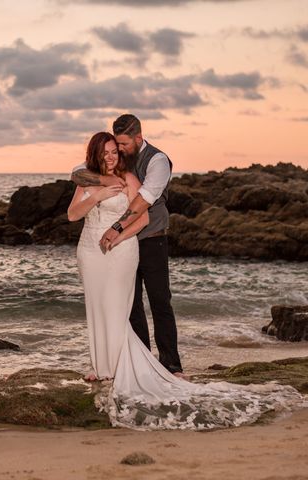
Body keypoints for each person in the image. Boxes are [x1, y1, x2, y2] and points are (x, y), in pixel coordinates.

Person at [67, 130, 302, 431]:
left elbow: (142, 218)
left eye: (115, 151)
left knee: (117, 306)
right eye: (106, 153)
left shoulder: (128, 178)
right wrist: (97, 196)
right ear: (95, 154)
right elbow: (73, 215)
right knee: (96, 304)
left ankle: (118, 366)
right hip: (89, 249)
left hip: (120, 249)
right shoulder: (87, 178)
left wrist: (118, 236)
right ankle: (100, 366)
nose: (111, 157)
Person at [71, 114, 183, 376]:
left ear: (138, 138)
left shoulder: (157, 161)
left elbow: (144, 201)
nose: (118, 151)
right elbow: (76, 173)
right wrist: (103, 181)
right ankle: (135, 359)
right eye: (113, 147)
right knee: (128, 306)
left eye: (122, 145)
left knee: (159, 300)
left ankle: (172, 364)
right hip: (118, 245)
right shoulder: (112, 164)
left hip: (150, 237)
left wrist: (117, 230)